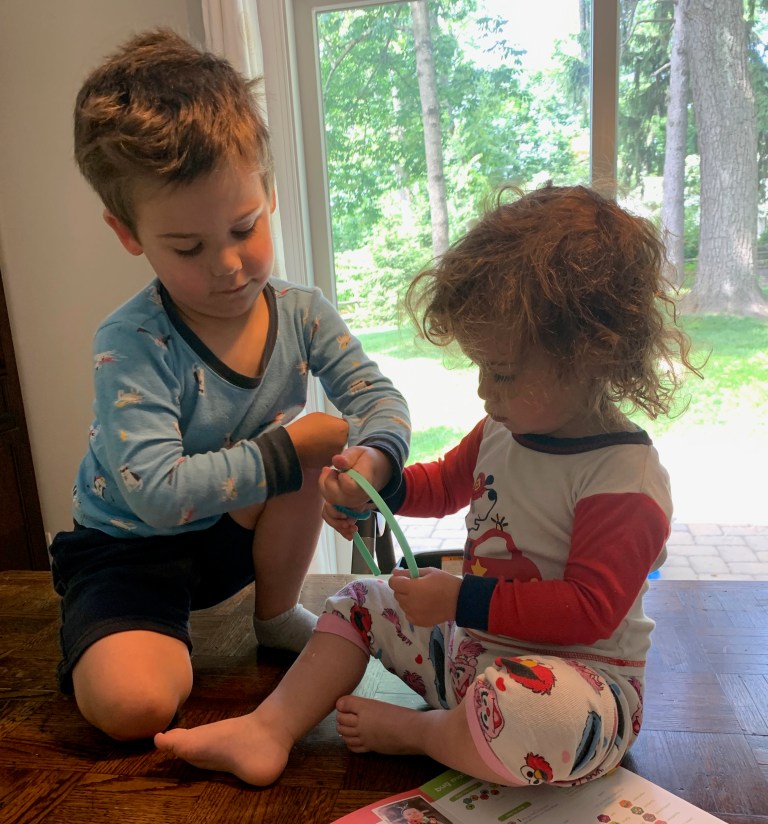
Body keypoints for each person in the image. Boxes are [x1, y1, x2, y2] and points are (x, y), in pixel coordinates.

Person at [155, 182, 701, 789]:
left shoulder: (624, 479)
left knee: (529, 708)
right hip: (472, 655)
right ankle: (270, 728)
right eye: (481, 368)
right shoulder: (503, 428)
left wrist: (460, 599)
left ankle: (425, 734)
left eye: (502, 372)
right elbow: (442, 484)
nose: (484, 391)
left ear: (592, 357)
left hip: (578, 688)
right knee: (359, 600)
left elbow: (588, 611)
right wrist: (376, 488)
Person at [49, 29, 410, 742]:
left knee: (321, 441)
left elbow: (378, 399)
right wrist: (288, 450)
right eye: (187, 247)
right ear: (128, 233)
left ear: (269, 192)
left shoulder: (302, 312)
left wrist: (372, 458)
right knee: (134, 708)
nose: (227, 265)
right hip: (129, 552)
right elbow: (156, 493)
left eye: (244, 228)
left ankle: (274, 617)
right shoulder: (130, 342)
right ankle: (120, 631)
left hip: (231, 536)